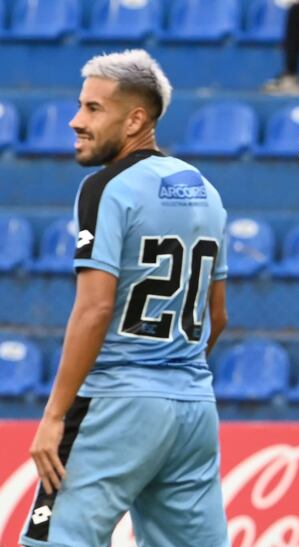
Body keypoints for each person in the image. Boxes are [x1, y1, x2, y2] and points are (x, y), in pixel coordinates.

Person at [20, 49, 230, 547]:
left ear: (136, 118)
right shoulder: (206, 190)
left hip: (118, 404)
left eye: (93, 109)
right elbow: (217, 316)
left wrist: (54, 416)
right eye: (80, 106)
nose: (75, 121)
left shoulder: (106, 188)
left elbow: (94, 309)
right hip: (194, 409)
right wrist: (172, 379)